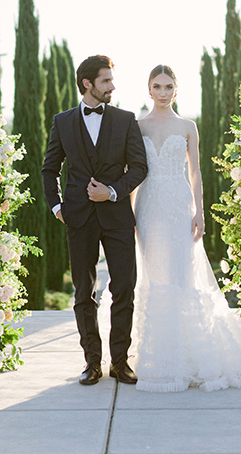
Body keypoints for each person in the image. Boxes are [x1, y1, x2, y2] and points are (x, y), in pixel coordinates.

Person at [132, 65, 241, 392]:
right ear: (148, 89)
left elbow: (196, 173)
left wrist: (199, 212)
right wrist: (131, 214)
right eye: (157, 86)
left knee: (182, 275)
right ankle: (157, 355)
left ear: (176, 89)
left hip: (178, 205)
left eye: (168, 86)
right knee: (153, 275)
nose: (162, 92)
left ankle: (188, 356)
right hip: (148, 207)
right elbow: (131, 172)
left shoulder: (188, 126)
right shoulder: (137, 126)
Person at [42, 55, 148, 386]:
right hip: (78, 218)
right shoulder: (62, 122)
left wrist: (113, 192)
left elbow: (140, 167)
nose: (112, 86)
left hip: (117, 217)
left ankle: (119, 362)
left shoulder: (125, 119)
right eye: (106, 81)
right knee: (83, 291)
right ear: (87, 84)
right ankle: (91, 362)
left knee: (124, 288)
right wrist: (57, 207)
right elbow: (50, 168)